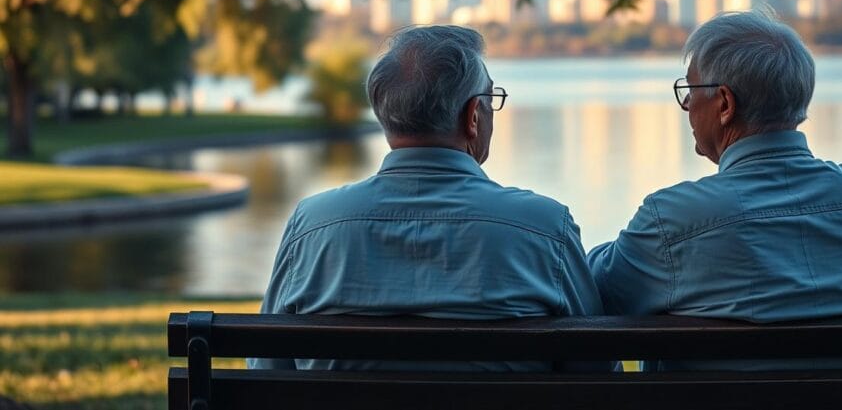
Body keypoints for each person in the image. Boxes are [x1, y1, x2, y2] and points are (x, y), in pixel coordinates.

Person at [250, 25, 605, 371]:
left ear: (383, 113)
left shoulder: (312, 227)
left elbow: (266, 365)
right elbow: (597, 370)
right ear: (472, 117)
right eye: (490, 100)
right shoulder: (544, 228)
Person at [587, 9, 842, 370]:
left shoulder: (673, 221)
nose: (686, 106)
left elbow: (590, 296)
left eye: (689, 90)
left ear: (725, 104)